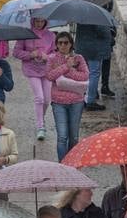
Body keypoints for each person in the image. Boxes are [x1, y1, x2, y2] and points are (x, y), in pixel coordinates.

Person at [45, 32, 88, 162]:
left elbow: (85, 76)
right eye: (60, 43)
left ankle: (72, 162)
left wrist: (69, 71)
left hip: (76, 101)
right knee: (62, 136)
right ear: (56, 45)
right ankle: (63, 164)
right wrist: (66, 67)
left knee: (74, 136)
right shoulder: (52, 59)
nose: (63, 45)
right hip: (59, 102)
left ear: (71, 44)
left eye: (66, 43)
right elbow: (50, 76)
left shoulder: (78, 58)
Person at [13, 16, 54, 142]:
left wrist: (47, 57)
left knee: (47, 99)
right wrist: (30, 55)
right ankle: (40, 126)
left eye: (42, 21)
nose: (39, 24)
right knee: (39, 98)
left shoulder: (51, 35)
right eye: (37, 21)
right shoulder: (26, 34)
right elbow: (16, 52)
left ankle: (41, 118)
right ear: (33, 21)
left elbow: (56, 53)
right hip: (31, 69)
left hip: (46, 69)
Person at [76, 16, 114, 112]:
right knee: (94, 73)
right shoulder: (97, 16)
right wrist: (110, 35)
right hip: (94, 49)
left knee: (86, 72)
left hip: (82, 46)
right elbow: (102, 31)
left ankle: (85, 97)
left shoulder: (82, 14)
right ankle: (90, 101)